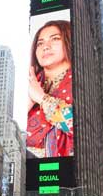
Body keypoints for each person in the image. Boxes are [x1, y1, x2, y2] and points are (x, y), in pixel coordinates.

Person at [27, 20, 73, 158]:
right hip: (30, 172)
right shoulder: (26, 84)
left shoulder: (86, 81)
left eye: (55, 39)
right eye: (40, 43)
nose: (45, 47)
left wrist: (42, 98)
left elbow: (84, 129)